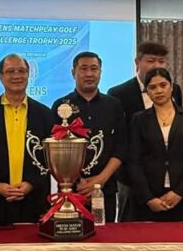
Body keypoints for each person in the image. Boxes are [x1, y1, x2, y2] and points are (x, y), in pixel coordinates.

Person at [0, 54, 54, 225]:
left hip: (34, 201)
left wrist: (31, 183)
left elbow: (50, 157)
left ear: (29, 75)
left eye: (22, 71)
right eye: (10, 71)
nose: (17, 76)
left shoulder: (45, 114)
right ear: (1, 77)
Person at [107, 40, 182, 220]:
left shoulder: (175, 90)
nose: (157, 65)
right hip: (132, 177)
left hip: (169, 177)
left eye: (161, 61)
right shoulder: (118, 93)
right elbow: (120, 139)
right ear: (137, 62)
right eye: (150, 61)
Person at [52, 52, 127, 222]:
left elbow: (121, 147)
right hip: (71, 189)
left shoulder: (114, 105)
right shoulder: (61, 106)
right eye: (83, 69)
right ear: (73, 72)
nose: (89, 74)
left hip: (106, 188)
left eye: (94, 69)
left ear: (100, 72)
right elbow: (55, 151)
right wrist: (77, 182)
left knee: (106, 235)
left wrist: (100, 180)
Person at [128, 68, 183, 221]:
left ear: (171, 87)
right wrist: (148, 198)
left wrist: (179, 192)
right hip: (149, 199)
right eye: (152, 87)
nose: (158, 91)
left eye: (163, 85)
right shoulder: (139, 119)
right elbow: (133, 161)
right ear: (147, 92)